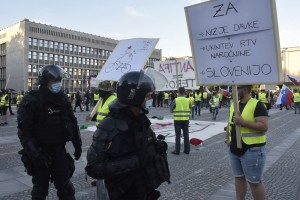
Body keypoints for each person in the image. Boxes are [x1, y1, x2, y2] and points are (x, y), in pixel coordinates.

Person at [85, 69, 170, 200]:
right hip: (123, 194)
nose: (150, 99)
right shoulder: (109, 126)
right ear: (135, 96)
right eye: (147, 96)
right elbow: (94, 167)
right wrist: (135, 162)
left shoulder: (141, 120)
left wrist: (157, 148)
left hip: (145, 191)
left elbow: (143, 150)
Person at [17, 65, 82, 200]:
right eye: (54, 82)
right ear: (45, 82)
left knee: (66, 189)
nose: (58, 84)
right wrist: (36, 155)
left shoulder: (63, 99)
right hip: (40, 152)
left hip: (59, 151)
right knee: (40, 190)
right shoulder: (32, 100)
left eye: (59, 81)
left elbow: (73, 122)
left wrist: (78, 144)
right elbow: (24, 132)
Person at [225, 85, 268, 200]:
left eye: (236, 88)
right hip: (234, 149)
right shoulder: (235, 104)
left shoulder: (257, 104)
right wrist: (228, 138)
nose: (234, 90)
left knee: (255, 182)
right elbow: (230, 123)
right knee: (239, 178)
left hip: (252, 149)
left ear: (244, 89)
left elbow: (264, 126)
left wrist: (243, 122)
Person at [170, 87, 191, 155]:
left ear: (178, 92)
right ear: (184, 92)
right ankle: (187, 150)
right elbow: (190, 108)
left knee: (178, 135)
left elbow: (171, 110)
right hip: (185, 120)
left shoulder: (175, 100)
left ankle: (177, 150)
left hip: (177, 120)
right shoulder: (188, 100)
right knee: (186, 135)